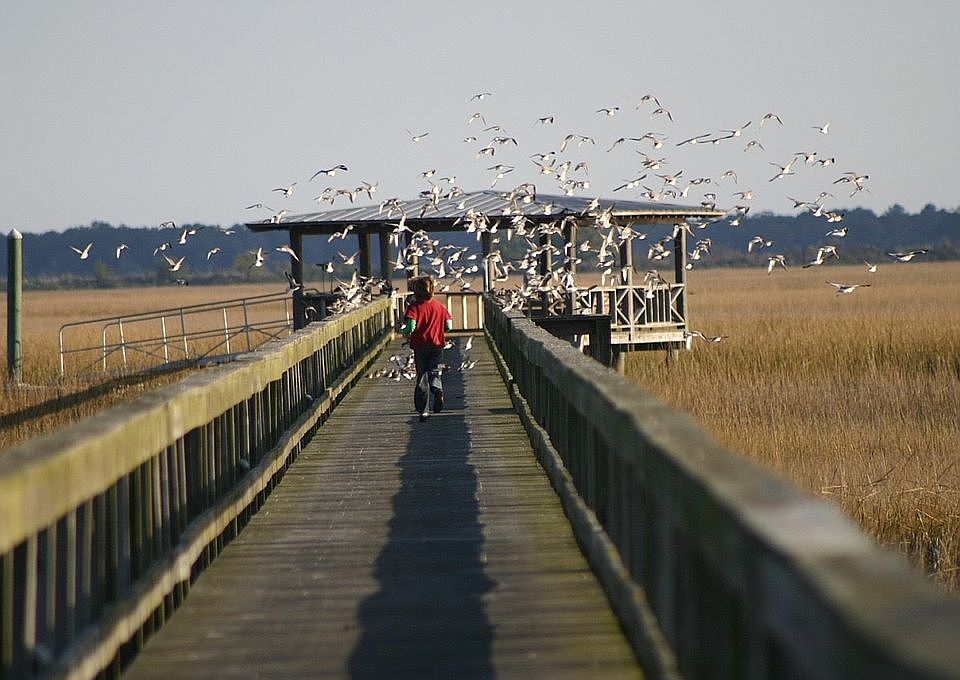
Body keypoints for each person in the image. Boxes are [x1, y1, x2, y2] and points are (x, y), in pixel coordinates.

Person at [400, 276, 453, 422]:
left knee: (422, 375)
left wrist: (403, 331)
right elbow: (449, 326)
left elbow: (411, 327)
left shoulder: (414, 307)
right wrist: (439, 330)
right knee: (434, 371)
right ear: (432, 290)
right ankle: (437, 390)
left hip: (420, 346)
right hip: (437, 345)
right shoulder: (439, 306)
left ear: (415, 291)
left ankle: (423, 411)